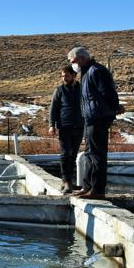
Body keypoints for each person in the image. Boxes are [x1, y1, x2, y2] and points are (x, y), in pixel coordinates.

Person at [67, 46, 124, 199]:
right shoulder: (86, 72)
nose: (72, 64)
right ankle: (87, 187)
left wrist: (115, 107)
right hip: (90, 118)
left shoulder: (96, 71)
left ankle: (97, 190)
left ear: (81, 58)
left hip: (98, 117)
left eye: (73, 61)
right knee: (89, 153)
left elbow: (108, 92)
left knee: (97, 154)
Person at [48, 65, 84, 193]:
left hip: (79, 126)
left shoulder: (82, 88)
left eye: (67, 76)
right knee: (65, 153)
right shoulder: (59, 90)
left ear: (74, 75)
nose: (64, 78)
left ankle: (69, 181)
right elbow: (53, 109)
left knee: (73, 154)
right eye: (63, 76)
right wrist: (52, 125)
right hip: (64, 126)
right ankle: (66, 181)